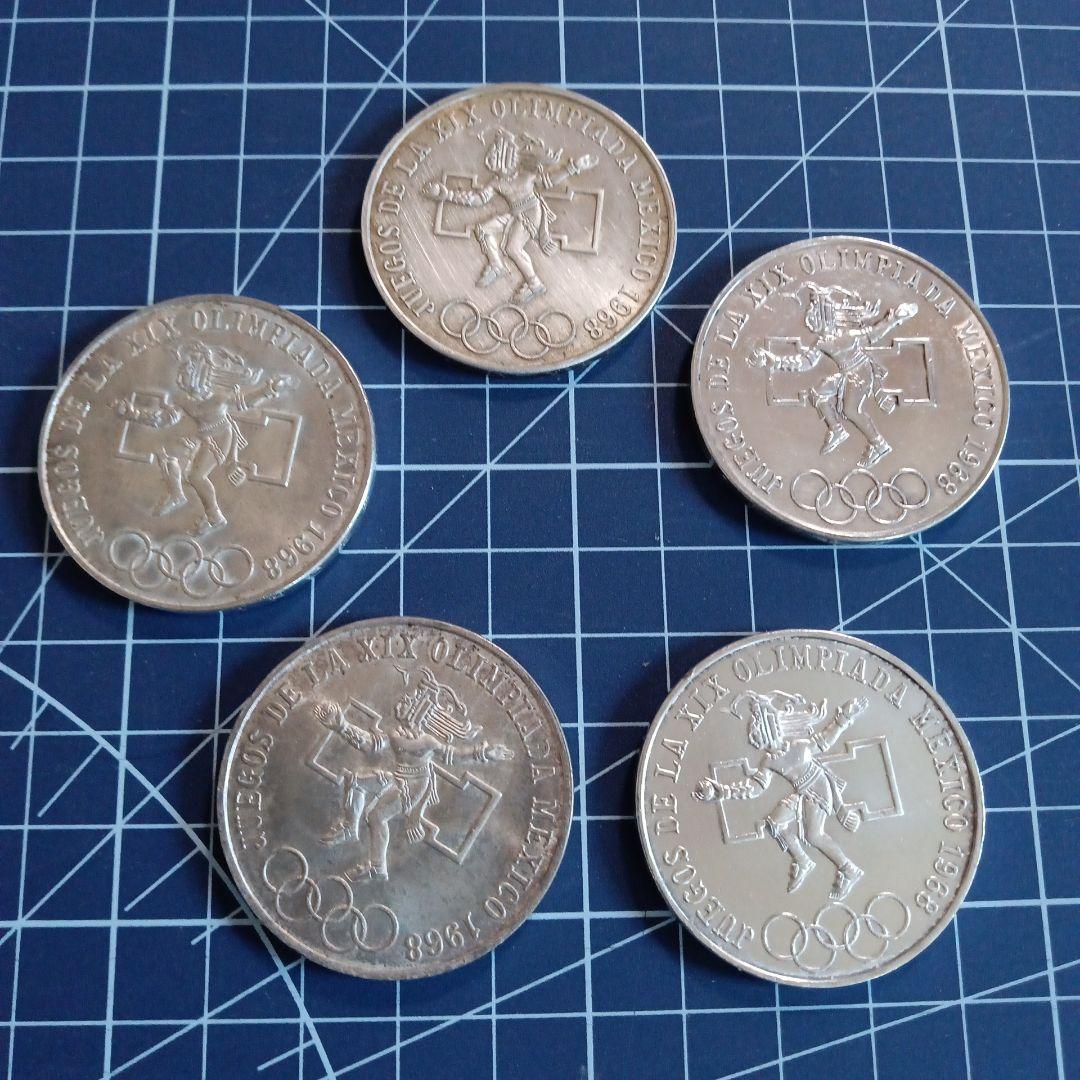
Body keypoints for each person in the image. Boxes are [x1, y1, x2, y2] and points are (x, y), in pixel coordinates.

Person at [316, 667, 513, 881]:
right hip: (397, 777)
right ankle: (349, 828)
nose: (402, 701)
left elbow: (454, 755)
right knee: (355, 780)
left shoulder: (428, 741)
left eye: (409, 700)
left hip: (413, 786)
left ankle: (377, 867)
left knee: (376, 816)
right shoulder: (395, 732)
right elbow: (371, 745)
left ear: (418, 710)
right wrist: (342, 726)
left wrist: (484, 753)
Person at [693, 689, 867, 900]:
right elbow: (755, 787)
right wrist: (722, 791)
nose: (758, 736)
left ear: (771, 727)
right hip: (802, 794)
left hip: (819, 791)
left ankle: (849, 869)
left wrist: (844, 717)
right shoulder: (769, 761)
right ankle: (803, 861)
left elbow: (825, 740)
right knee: (775, 823)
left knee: (814, 835)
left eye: (760, 728)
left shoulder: (799, 746)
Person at [114, 341, 293, 535]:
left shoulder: (218, 399)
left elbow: (245, 402)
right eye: (181, 373)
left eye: (186, 372)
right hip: (201, 436)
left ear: (199, 374)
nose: (180, 377)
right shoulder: (183, 400)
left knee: (196, 476)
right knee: (165, 453)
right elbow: (164, 418)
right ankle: (176, 495)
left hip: (221, 437)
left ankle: (215, 516)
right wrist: (134, 414)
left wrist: (267, 390)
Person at [750, 284, 917, 469]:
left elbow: (875, 333)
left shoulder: (849, 335)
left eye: (816, 315)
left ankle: (879, 445)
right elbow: (804, 362)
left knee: (851, 411)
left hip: (861, 373)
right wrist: (774, 361)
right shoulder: (822, 342)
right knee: (819, 392)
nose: (813, 321)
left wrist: (894, 318)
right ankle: (837, 430)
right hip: (848, 374)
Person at [422, 128, 597, 305]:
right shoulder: (496, 182)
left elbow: (549, 181)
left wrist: (573, 167)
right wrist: (448, 195)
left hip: (531, 212)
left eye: (499, 156)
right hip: (515, 214)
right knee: (483, 229)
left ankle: (535, 284)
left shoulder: (527, 175)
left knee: (513, 249)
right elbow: (478, 199)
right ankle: (497, 266)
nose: (496, 161)